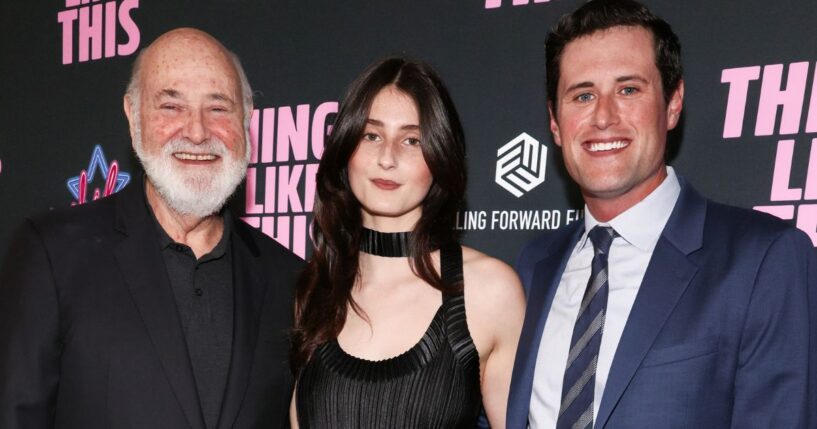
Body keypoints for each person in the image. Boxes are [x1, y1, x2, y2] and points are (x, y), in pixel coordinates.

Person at [507, 1, 817, 428]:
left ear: (673, 104)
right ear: (555, 124)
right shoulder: (531, 268)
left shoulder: (763, 259)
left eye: (628, 90)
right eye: (582, 95)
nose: (603, 116)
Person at [0, 28, 302, 429]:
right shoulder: (54, 254)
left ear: (246, 121)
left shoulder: (290, 279)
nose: (197, 132)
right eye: (171, 106)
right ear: (133, 114)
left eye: (218, 108)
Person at [289, 57, 525, 428]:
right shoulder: (316, 288)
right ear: (346, 146)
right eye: (372, 135)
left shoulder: (490, 291)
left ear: (440, 154)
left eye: (412, 140)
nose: (387, 157)